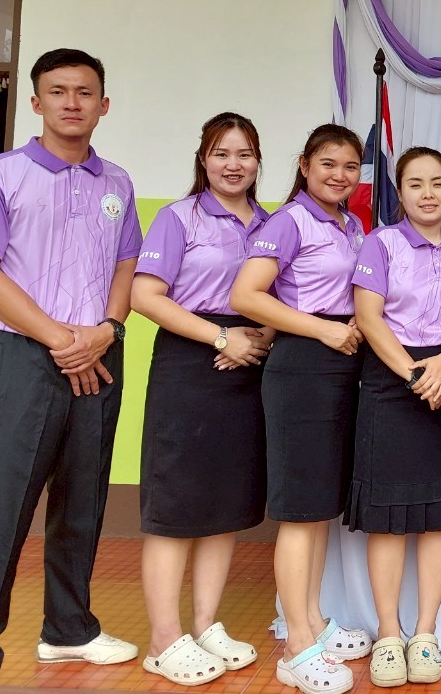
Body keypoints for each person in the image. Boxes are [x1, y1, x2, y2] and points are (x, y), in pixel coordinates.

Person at [0, 48, 142, 684]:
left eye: (84, 92)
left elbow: (125, 266)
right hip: (26, 358)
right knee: (4, 508)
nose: (71, 103)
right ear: (35, 102)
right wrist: (61, 339)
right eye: (58, 91)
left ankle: (68, 631)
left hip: (99, 355)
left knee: (82, 502)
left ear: (103, 105)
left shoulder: (117, 183)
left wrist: (106, 331)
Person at [230, 124, 373, 694]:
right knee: (298, 511)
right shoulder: (288, 221)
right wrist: (322, 329)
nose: (339, 175)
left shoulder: (351, 224)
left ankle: (311, 620)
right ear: (305, 165)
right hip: (303, 369)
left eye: (350, 166)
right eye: (328, 164)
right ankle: (296, 649)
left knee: (317, 510)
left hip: (342, 365)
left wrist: (352, 323)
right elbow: (246, 295)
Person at [132, 112, 274, 685]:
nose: (233, 165)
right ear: (203, 159)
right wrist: (220, 337)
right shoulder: (179, 217)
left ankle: (205, 625)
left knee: (223, 503)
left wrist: (259, 339)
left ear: (258, 161)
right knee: (176, 505)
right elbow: (146, 296)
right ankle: (164, 640)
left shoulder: (271, 223)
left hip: (248, 367)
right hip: (190, 366)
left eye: (244, 154)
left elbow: (287, 295)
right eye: (221, 153)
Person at [349, 146, 441, 688]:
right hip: (391, 381)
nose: (428, 194)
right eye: (415, 184)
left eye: (437, 183)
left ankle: (425, 632)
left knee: (438, 513)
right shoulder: (380, 243)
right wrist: (414, 374)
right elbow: (368, 316)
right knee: (388, 514)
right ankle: (389, 634)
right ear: (400, 192)